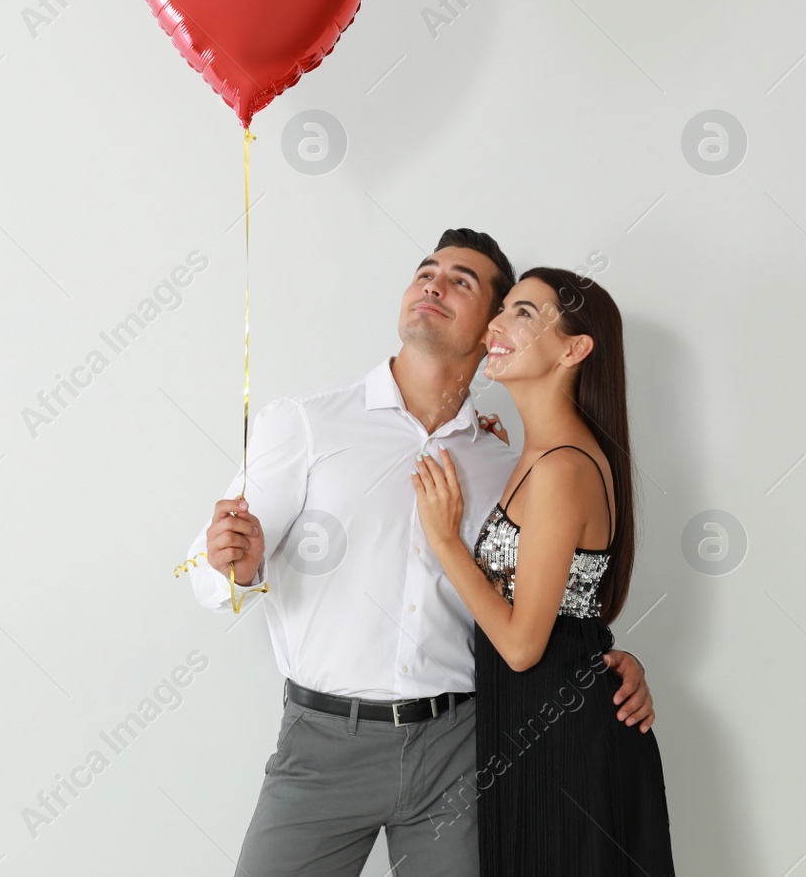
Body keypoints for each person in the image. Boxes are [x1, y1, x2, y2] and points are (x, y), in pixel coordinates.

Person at [182, 229, 657, 877]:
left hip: (463, 747)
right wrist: (233, 564)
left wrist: (602, 659)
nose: (433, 283)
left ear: (490, 327)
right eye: (425, 270)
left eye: (462, 280)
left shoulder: (503, 461)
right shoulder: (305, 422)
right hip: (323, 745)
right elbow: (212, 570)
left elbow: (540, 597)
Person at [411, 266, 675, 875]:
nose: (497, 324)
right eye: (502, 309)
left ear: (575, 348)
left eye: (524, 313)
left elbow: (524, 644)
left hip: (567, 745)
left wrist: (446, 542)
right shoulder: (535, 454)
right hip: (531, 732)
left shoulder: (562, 467)